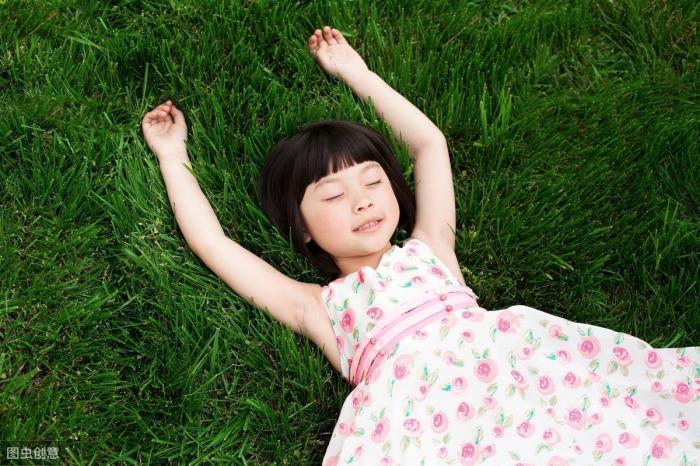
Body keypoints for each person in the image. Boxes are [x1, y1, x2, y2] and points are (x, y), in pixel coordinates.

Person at [142, 25, 699, 466]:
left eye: (372, 181)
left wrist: (355, 71)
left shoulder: (431, 248)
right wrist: (172, 155)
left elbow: (429, 144)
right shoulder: (316, 306)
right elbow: (213, 243)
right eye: (333, 195)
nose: (362, 201)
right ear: (303, 230)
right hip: (421, 428)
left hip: (525, 384)